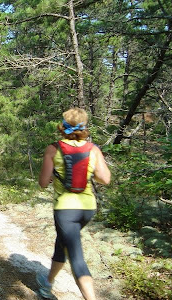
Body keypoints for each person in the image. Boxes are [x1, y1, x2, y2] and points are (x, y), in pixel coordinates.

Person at [37, 108, 111, 300]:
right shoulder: (93, 149)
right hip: (87, 208)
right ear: (84, 126)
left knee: (77, 259)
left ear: (63, 125)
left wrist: (55, 175)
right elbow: (105, 178)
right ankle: (47, 283)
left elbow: (43, 183)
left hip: (65, 210)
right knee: (62, 243)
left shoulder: (54, 148)